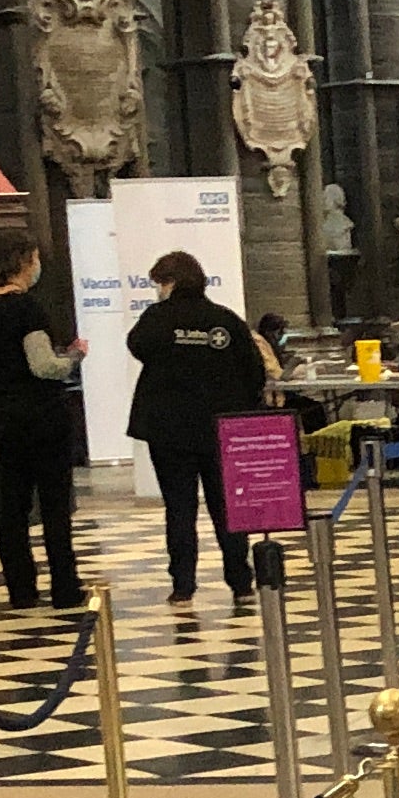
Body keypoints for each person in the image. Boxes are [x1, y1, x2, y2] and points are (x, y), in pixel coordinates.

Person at [125, 247, 268, 609]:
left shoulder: (157, 318)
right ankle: (240, 580)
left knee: (179, 508)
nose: (158, 290)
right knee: (227, 507)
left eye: (160, 283)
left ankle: (183, 585)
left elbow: (137, 346)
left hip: (169, 431)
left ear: (171, 282)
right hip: (219, 430)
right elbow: (253, 370)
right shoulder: (225, 320)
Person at [0, 237, 86, 612]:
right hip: (42, 414)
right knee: (53, 504)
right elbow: (42, 366)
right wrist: (73, 356)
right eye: (35, 260)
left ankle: (21, 589)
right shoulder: (27, 309)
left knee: (13, 504)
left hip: (4, 415)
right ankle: (65, 588)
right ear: (24, 263)